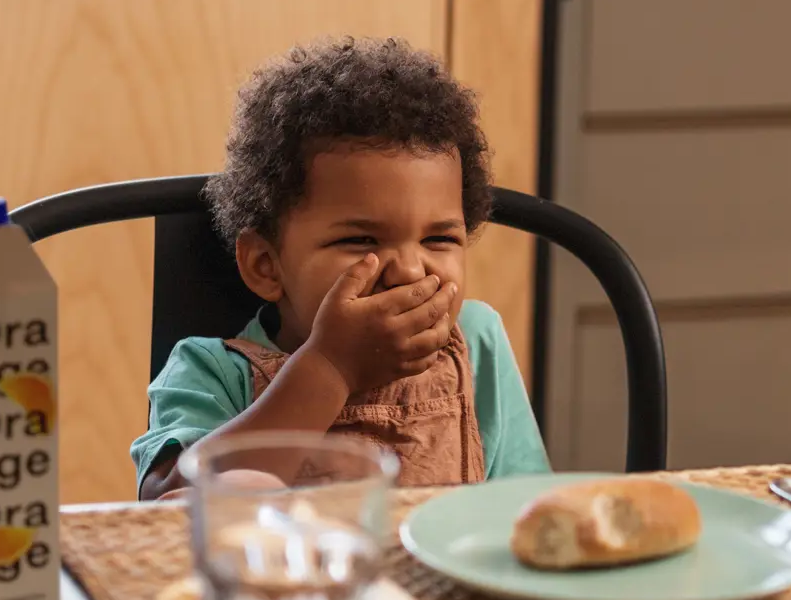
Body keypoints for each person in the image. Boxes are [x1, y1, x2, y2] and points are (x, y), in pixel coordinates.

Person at [132, 37, 550, 499]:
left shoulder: (477, 338)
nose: (411, 271)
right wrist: (329, 369)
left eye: (439, 238)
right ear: (266, 265)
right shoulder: (208, 371)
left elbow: (523, 510)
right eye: (360, 241)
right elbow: (165, 510)